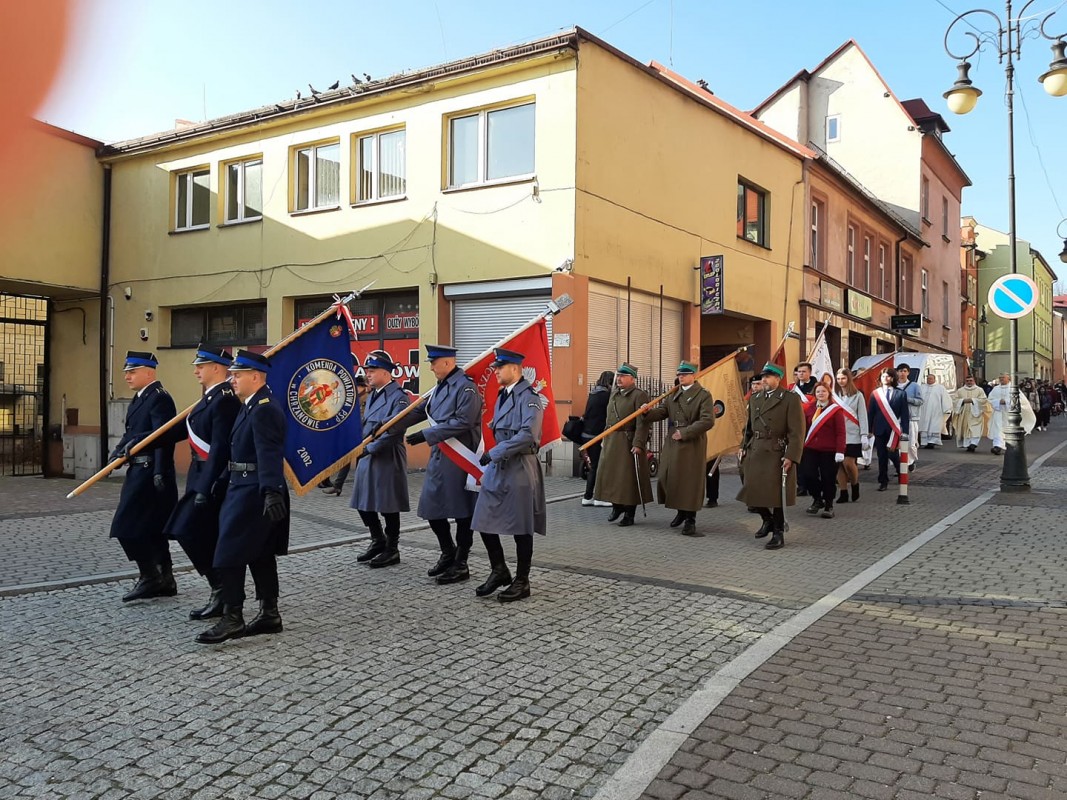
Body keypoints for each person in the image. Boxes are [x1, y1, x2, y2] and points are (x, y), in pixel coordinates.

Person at [196, 350, 289, 644]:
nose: (232, 379)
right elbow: (240, 452)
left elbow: (269, 453)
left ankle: (233, 617)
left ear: (255, 377)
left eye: (237, 375)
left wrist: (272, 491)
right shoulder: (249, 406)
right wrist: (222, 480)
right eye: (232, 374)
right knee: (260, 553)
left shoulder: (264, 408)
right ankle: (269, 613)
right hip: (241, 486)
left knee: (227, 554)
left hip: (254, 491)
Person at [161, 344, 241, 620]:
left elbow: (220, 447)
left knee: (189, 530)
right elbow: (182, 430)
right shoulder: (209, 397)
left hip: (214, 479)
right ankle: (219, 589)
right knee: (190, 531)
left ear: (217, 368)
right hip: (199, 476)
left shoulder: (226, 399)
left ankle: (223, 590)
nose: (196, 371)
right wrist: (137, 444)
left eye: (201, 366)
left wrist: (206, 487)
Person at [471, 348, 546, 603]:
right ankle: (499, 569)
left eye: (499, 368)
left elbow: (528, 435)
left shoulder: (530, 398)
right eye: (495, 368)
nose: (495, 372)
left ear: (515, 369)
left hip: (519, 467)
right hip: (499, 465)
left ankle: (522, 581)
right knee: (482, 517)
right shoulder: (504, 394)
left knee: (521, 527)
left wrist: (496, 451)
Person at [404, 344, 482, 585]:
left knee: (462, 513)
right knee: (431, 508)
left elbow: (463, 421)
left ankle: (461, 562)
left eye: (433, 362)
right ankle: (448, 552)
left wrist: (426, 435)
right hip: (440, 457)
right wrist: (386, 426)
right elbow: (417, 411)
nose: (430, 367)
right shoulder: (439, 388)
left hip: (460, 459)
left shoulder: (466, 388)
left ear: (447, 363)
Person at [109, 351, 179, 603]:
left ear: (149, 372)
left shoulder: (159, 398)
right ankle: (165, 579)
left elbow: (163, 437)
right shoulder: (139, 398)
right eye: (126, 371)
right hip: (137, 470)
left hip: (151, 472)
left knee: (125, 526)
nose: (127, 376)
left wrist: (160, 471)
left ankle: (150, 576)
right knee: (152, 528)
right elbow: (132, 434)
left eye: (133, 371)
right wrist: (116, 454)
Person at [350, 352, 410, 568]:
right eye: (367, 371)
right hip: (368, 454)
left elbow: (395, 430)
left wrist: (370, 448)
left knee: (388, 504)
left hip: (387, 455)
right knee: (362, 502)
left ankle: (392, 549)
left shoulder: (399, 397)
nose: (368, 375)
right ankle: (378, 540)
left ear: (386, 372)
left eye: (372, 371)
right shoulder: (373, 394)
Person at [641, 361, 715, 536]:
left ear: (693, 375)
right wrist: (647, 412)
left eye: (684, 374)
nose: (680, 377)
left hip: (691, 442)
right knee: (666, 476)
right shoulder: (674, 394)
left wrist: (685, 433)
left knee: (689, 481)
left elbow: (707, 421)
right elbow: (662, 412)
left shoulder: (703, 395)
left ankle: (690, 519)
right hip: (673, 441)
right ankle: (680, 511)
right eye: (679, 374)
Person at [737, 362, 804, 550]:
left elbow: (797, 432)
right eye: (762, 377)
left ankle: (778, 532)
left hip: (776, 451)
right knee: (750, 490)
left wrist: (791, 456)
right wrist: (743, 446)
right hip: (755, 449)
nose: (763, 380)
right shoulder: (755, 398)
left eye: (768, 377)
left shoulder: (789, 399)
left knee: (776, 496)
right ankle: (766, 519)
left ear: (778, 378)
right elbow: (748, 427)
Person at [592, 363, 653, 527]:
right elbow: (609, 418)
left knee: (628, 479)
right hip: (612, 440)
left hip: (628, 441)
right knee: (610, 476)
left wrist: (639, 443)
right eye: (618, 375)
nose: (618, 379)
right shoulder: (614, 395)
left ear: (632, 378)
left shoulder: (639, 395)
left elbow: (643, 423)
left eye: (622, 376)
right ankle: (616, 506)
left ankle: (629, 514)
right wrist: (605, 437)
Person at [801, 383, 846, 519]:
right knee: (808, 475)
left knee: (828, 478)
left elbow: (840, 432)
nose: (820, 394)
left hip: (829, 450)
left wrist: (840, 450)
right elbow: (804, 428)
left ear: (828, 393)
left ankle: (828, 505)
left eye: (823, 391)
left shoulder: (835, 410)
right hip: (811, 448)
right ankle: (817, 498)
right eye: (818, 391)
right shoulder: (809, 409)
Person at [322, 370, 369, 495]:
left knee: (361, 461)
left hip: (363, 434)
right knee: (345, 459)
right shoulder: (352, 397)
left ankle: (360, 487)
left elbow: (366, 417)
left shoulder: (367, 397)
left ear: (362, 387)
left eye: (357, 386)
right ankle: (337, 486)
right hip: (351, 433)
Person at [868, 367, 910, 491]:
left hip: (894, 429)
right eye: (883, 376)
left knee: (893, 454)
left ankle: (900, 471)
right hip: (880, 430)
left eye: (888, 376)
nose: (885, 378)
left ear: (892, 378)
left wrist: (905, 432)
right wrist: (869, 429)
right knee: (882, 456)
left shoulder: (901, 393)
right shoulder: (875, 393)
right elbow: (871, 413)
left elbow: (905, 414)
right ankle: (883, 481)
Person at [834, 367, 868, 504]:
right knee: (839, 465)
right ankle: (843, 492)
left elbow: (863, 416)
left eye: (843, 378)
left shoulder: (858, 395)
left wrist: (864, 434)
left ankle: (854, 484)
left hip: (853, 434)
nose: (840, 381)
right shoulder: (834, 394)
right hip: (836, 435)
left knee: (848, 462)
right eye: (838, 379)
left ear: (849, 378)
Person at [580, 371, 614, 507]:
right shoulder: (606, 396)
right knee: (599, 466)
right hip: (597, 435)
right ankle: (597, 497)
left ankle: (588, 497)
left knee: (594, 466)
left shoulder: (593, 394)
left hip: (586, 434)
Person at [987, 373, 1036, 452]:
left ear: (1008, 379)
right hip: (998, 412)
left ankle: (1008, 445)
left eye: (1003, 377)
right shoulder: (996, 389)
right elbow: (989, 400)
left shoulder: (1013, 389)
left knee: (1008, 429)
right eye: (1000, 378)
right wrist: (998, 402)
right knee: (997, 429)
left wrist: (1006, 402)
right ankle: (997, 446)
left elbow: (1021, 401)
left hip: (1009, 414)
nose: (1001, 379)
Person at [952, 374, 989, 451]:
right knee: (965, 429)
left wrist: (973, 400)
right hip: (964, 413)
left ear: (974, 381)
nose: (969, 382)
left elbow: (984, 400)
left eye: (971, 381)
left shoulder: (979, 390)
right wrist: (962, 401)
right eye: (967, 381)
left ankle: (973, 443)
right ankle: (968, 444)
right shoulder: (960, 390)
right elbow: (954, 400)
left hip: (975, 413)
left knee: (975, 429)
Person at [896, 364, 923, 470]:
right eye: (900, 371)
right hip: (897, 418)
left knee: (911, 442)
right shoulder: (894, 386)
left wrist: (908, 399)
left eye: (904, 371)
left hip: (911, 418)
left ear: (908, 373)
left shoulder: (915, 386)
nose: (902, 373)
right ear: (897, 372)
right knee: (897, 442)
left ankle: (910, 461)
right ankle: (901, 464)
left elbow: (920, 401)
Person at [918, 372, 953, 449]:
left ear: (934, 379)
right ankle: (924, 442)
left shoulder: (940, 388)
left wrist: (946, 408)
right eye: (927, 378)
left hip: (936, 411)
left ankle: (932, 442)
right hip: (924, 410)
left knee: (934, 426)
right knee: (924, 426)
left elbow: (945, 399)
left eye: (930, 378)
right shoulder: (922, 387)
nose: (929, 380)